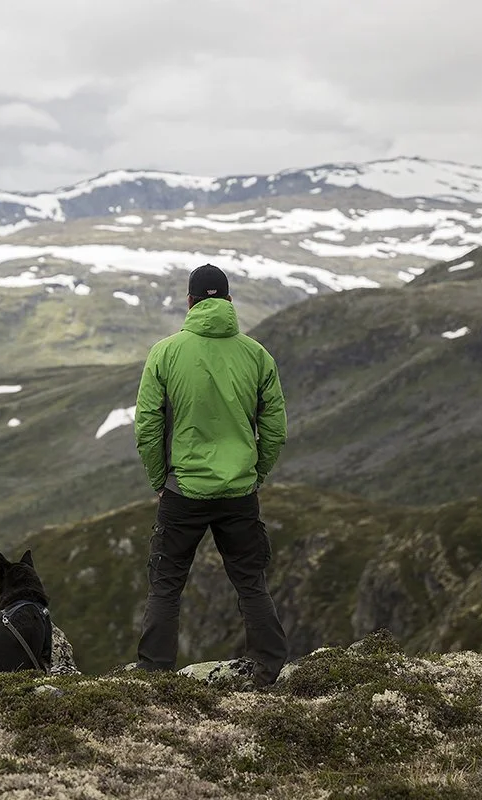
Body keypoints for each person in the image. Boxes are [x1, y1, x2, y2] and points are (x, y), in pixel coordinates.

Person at [133, 263, 288, 685]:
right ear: (229, 301)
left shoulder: (165, 353)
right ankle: (271, 669)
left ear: (190, 302)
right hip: (239, 492)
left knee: (166, 584)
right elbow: (275, 428)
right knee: (251, 582)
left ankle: (154, 675)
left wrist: (159, 480)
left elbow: (147, 425)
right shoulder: (257, 355)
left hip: (182, 491)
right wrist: (255, 474)